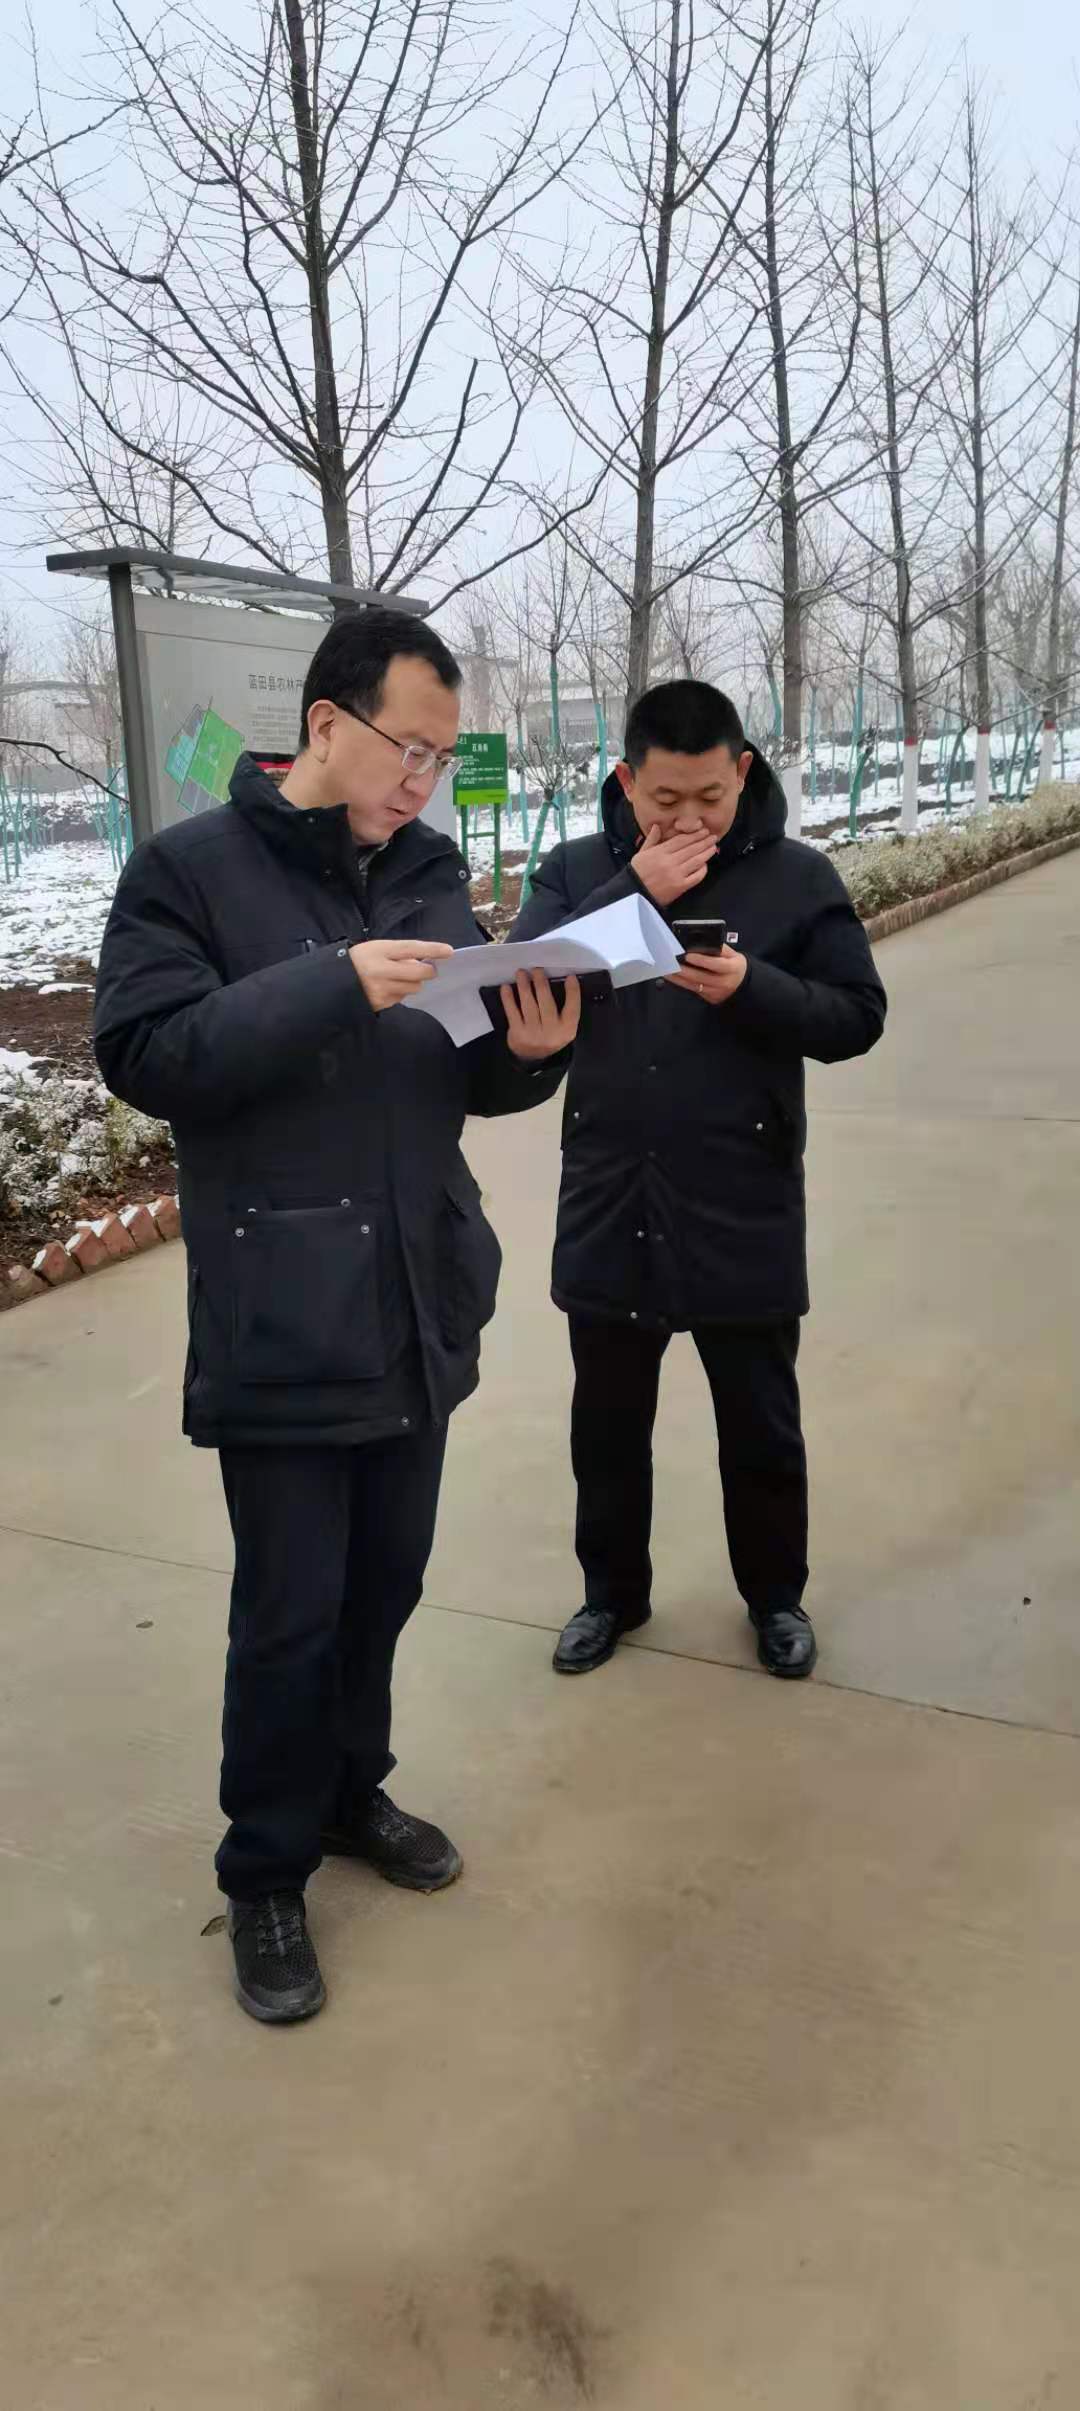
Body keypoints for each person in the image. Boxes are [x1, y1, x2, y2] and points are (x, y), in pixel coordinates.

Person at [95, 608, 579, 2024]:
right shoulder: (190, 870)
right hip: (288, 1314)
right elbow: (147, 1052)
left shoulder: (424, 869)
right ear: (325, 723)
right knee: (290, 1611)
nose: (425, 777)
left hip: (416, 1298)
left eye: (442, 754)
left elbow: (458, 1066)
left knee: (386, 1584)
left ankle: (351, 1790)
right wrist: (330, 981)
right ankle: (263, 1867)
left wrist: (531, 1053)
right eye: (408, 747)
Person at [511, 678, 886, 1683]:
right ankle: (610, 1594)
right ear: (627, 780)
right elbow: (525, 978)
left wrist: (755, 987)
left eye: (710, 798)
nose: (689, 819)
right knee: (606, 1423)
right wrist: (635, 892)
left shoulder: (797, 878)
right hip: (612, 1192)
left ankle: (776, 1597)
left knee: (760, 1422)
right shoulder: (577, 871)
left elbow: (857, 1014)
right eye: (666, 799)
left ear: (743, 773)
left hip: (741, 1194)